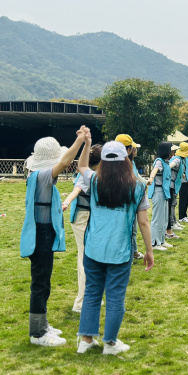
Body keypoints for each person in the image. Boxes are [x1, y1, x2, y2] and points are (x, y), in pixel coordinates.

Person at [76, 137, 154, 355]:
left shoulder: (93, 180)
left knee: (92, 293)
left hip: (93, 247)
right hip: (120, 250)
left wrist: (86, 144)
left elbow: (82, 166)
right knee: (115, 296)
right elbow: (144, 222)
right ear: (126, 158)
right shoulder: (138, 185)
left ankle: (86, 340)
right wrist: (149, 251)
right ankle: (110, 343)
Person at [20, 126, 89, 347]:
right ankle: (38, 333)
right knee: (40, 284)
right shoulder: (42, 176)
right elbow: (65, 161)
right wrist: (79, 141)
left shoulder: (37, 175)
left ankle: (42, 324)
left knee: (43, 282)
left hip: (43, 234)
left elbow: (72, 164)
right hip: (42, 235)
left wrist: (83, 143)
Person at [62, 144, 103, 313]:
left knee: (90, 259)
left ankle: (89, 298)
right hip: (82, 218)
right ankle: (81, 303)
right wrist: (66, 202)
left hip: (89, 218)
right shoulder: (86, 175)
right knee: (85, 259)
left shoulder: (95, 173)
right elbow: (77, 190)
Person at [115, 134, 144, 260]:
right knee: (125, 229)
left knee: (131, 229)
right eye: (134, 148)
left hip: (128, 200)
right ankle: (127, 254)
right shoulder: (123, 163)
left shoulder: (130, 162)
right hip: (123, 200)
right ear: (128, 149)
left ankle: (133, 251)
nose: (135, 150)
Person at [147, 142, 173, 250]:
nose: (172, 152)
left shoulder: (166, 162)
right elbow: (155, 170)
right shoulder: (159, 161)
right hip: (158, 191)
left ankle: (161, 240)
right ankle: (154, 243)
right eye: (170, 150)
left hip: (164, 192)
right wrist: (151, 178)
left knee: (164, 219)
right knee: (157, 219)